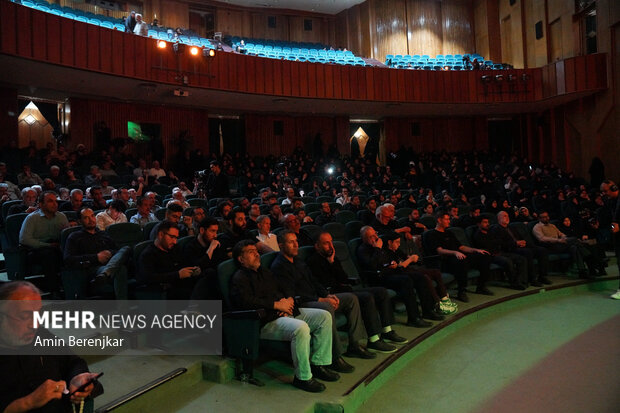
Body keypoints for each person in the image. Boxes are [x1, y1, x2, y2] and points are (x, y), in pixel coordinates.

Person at [229, 240, 333, 393]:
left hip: (283, 313)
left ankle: (318, 364)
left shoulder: (265, 272)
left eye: (256, 251)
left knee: (324, 316)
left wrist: (288, 301)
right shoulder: (239, 277)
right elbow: (246, 302)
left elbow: (281, 289)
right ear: (241, 259)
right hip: (263, 322)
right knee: (301, 328)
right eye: (251, 252)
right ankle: (303, 377)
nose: (257, 254)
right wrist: (276, 306)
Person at [272, 231, 374, 369]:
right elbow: (292, 294)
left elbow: (314, 282)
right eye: (291, 242)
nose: (296, 245)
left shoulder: (298, 261)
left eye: (296, 241)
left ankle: (354, 345)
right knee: (326, 308)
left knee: (351, 298)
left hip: (316, 297)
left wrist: (327, 295)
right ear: (281, 245)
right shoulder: (279, 266)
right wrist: (320, 299)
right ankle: (335, 355)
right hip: (302, 303)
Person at [0, 281, 102, 412]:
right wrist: (27, 402)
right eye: (24, 316)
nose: (34, 325)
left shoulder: (41, 335)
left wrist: (77, 377)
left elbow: (73, 362)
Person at [308, 232, 407, 352]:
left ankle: (387, 330)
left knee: (381, 292)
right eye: (326, 243)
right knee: (366, 297)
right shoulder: (313, 261)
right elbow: (325, 283)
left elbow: (343, 278)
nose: (331, 246)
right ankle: (374, 339)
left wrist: (333, 262)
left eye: (331, 242)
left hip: (347, 289)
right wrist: (330, 264)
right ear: (317, 246)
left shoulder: (332, 258)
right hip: (335, 294)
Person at [357, 226, 432, 328]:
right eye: (371, 236)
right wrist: (377, 249)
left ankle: (428, 310)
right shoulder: (363, 249)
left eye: (375, 234)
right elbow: (372, 265)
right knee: (406, 280)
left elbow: (388, 257)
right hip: (379, 278)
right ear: (364, 238)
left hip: (391, 271)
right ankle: (414, 318)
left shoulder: (380, 244)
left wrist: (392, 263)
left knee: (419, 277)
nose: (375, 237)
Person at [424, 211, 493, 303]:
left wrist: (476, 250)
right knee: (461, 261)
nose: (449, 221)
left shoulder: (449, 232)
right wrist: (455, 252)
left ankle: (481, 287)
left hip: (458, 256)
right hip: (444, 260)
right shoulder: (431, 234)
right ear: (439, 220)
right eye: (447, 219)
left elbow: (461, 247)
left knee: (484, 256)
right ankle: (461, 291)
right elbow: (439, 250)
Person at [63, 208, 130, 299]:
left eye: (92, 216)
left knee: (126, 249)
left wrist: (109, 252)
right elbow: (68, 259)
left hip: (109, 264)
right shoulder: (75, 236)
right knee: (121, 269)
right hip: (92, 268)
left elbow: (116, 250)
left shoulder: (103, 234)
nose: (91, 220)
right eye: (86, 218)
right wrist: (96, 257)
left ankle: (105, 273)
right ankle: (123, 309)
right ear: (80, 221)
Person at [138, 221, 209, 299]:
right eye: (172, 237)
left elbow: (184, 262)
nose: (175, 241)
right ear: (161, 235)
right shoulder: (148, 254)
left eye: (176, 238)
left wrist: (193, 269)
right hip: (166, 289)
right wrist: (178, 275)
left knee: (208, 273)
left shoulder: (175, 248)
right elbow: (148, 278)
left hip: (181, 282)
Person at [19, 191, 68, 296]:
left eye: (55, 201)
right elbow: (24, 239)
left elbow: (66, 237)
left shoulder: (61, 216)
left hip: (56, 246)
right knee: (49, 254)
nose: (55, 204)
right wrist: (48, 245)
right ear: (41, 204)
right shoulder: (32, 218)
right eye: (50, 201)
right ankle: (54, 290)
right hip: (36, 250)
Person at [532, 211, 597, 278]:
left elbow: (560, 234)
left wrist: (564, 238)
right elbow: (542, 238)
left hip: (561, 244)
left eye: (547, 216)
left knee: (574, 248)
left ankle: (582, 272)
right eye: (544, 217)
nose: (547, 218)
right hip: (550, 246)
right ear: (539, 218)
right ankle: (589, 256)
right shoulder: (537, 227)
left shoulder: (552, 225)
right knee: (574, 240)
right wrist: (558, 240)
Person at [472, 217, 528, 290]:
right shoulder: (477, 235)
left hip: (500, 252)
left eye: (488, 222)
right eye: (485, 222)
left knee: (521, 259)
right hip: (491, 255)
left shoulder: (490, 232)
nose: (488, 224)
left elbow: (499, 242)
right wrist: (496, 244)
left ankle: (521, 280)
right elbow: (488, 246)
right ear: (479, 224)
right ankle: (514, 283)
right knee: (507, 261)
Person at [182, 216, 227, 299]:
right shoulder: (190, 247)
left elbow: (221, 264)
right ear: (202, 230)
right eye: (212, 231)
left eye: (216, 231)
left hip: (213, 282)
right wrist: (210, 249)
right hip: (195, 283)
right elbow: (198, 268)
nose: (215, 235)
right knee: (209, 272)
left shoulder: (215, 244)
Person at [599, 180, 620, 299]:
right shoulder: (611, 201)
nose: (603, 194)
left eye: (605, 191)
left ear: (613, 188)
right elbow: (611, 219)